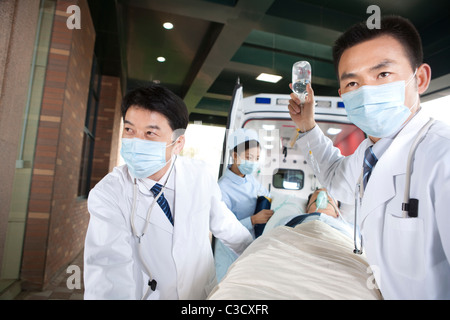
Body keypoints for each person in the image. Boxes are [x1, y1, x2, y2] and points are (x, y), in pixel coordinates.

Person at [288, 16, 450, 299]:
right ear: (343, 95)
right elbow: (335, 180)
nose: (366, 91)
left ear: (420, 78)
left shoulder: (442, 157)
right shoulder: (368, 154)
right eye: (352, 83)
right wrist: (307, 125)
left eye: (383, 75)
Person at [83, 84, 253, 300]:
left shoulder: (199, 175)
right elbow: (108, 273)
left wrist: (259, 257)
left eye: (150, 133)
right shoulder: (109, 194)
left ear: (178, 143)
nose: (136, 141)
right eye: (129, 130)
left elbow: (226, 226)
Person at [214, 128, 273, 281]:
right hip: (229, 251)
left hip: (251, 246)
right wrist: (253, 220)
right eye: (248, 157)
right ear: (234, 155)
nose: (253, 162)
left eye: (257, 157)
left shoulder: (250, 179)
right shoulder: (222, 188)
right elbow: (221, 227)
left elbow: (266, 195)